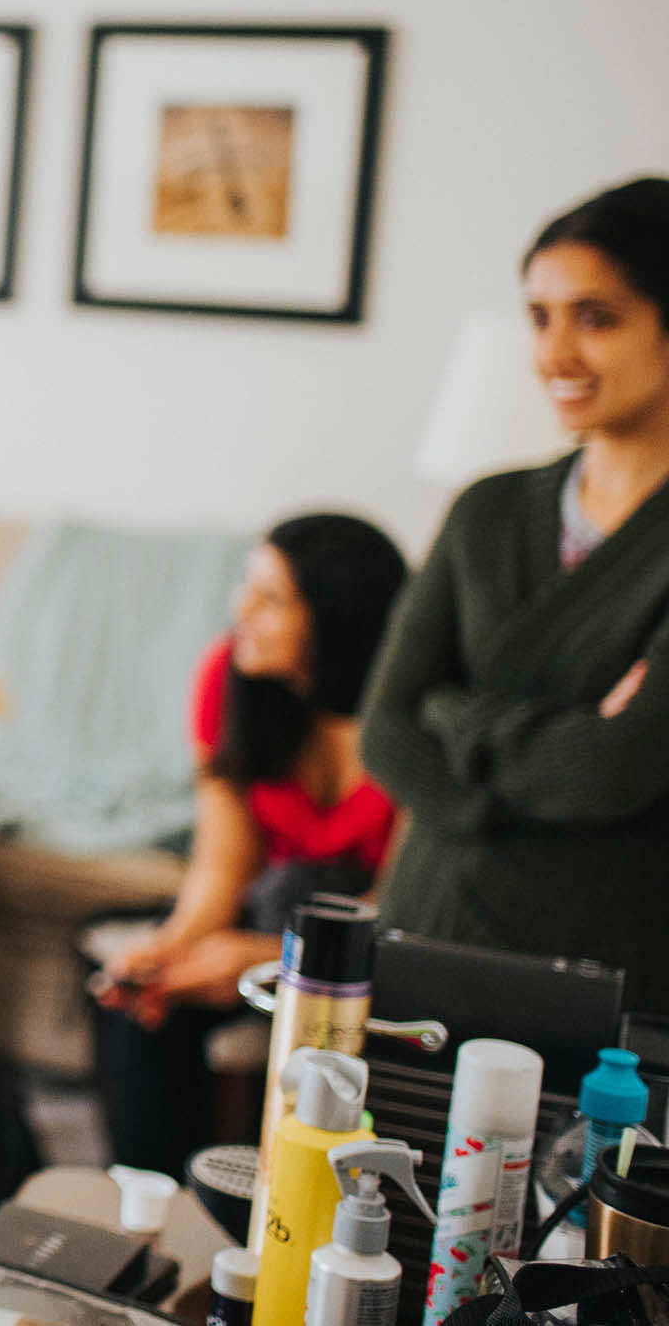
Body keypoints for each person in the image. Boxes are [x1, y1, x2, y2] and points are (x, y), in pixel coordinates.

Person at [362, 176, 669, 1016]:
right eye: (540, 317)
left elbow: (619, 768)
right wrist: (557, 745)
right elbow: (386, 730)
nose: (554, 355)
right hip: (424, 929)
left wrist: (456, 715)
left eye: (595, 317)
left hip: (602, 972)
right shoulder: (486, 510)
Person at [89, 514, 408, 1175]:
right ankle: (160, 1200)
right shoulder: (227, 679)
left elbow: (398, 914)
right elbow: (223, 862)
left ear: (337, 620)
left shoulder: (411, 725)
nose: (242, 608)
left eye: (271, 598)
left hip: (372, 945)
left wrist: (257, 960)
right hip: (273, 911)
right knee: (140, 998)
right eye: (247, 586)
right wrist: (174, 943)